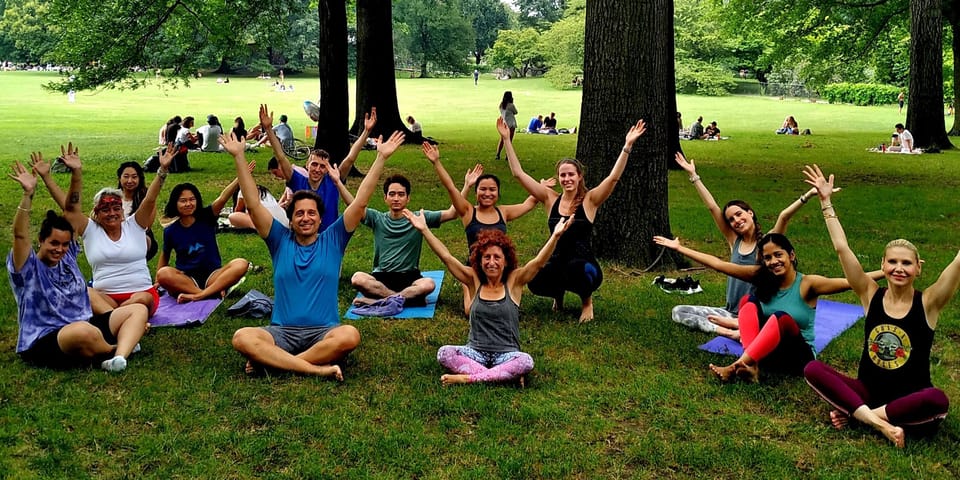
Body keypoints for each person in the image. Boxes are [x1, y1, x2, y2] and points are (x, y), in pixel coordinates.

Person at [222, 115, 405, 378]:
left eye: (311, 213)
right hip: (282, 332)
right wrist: (239, 157)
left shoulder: (334, 239)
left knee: (350, 335)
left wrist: (381, 158)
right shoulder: (278, 239)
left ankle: (277, 363)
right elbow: (252, 205)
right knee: (242, 337)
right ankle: (314, 369)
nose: (305, 218)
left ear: (320, 219)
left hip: (324, 332)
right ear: (291, 218)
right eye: (299, 214)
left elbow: (360, 203)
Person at [802, 164, 956, 448]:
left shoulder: (929, 302)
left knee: (937, 400)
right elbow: (842, 249)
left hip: (908, 400)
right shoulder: (869, 294)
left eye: (907, 263)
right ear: (883, 265)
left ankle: (862, 416)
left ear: (918, 268)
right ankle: (878, 423)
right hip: (867, 391)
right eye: (893, 262)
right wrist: (826, 203)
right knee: (813, 368)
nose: (899, 268)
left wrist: (855, 411)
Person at [652, 233, 866, 383]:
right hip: (767, 355)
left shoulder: (808, 283)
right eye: (767, 258)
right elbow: (718, 264)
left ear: (791, 256)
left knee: (781, 317)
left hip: (797, 359)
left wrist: (888, 272)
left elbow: (852, 281)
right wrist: (680, 248)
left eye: (778, 255)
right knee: (749, 301)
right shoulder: (763, 277)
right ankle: (752, 365)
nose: (773, 262)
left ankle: (737, 365)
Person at [10, 146, 149, 372]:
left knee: (137, 310)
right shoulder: (27, 267)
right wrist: (27, 195)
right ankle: (113, 347)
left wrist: (77, 173)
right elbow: (19, 235)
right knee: (83, 332)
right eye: (54, 243)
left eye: (65, 244)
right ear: (40, 241)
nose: (60, 249)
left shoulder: (68, 256)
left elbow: (72, 208)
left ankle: (119, 358)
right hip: (47, 337)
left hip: (85, 322)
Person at [669, 152, 827, 339]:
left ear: (750, 213)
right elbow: (712, 207)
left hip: (757, 313)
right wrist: (693, 175)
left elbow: (784, 216)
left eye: (739, 214)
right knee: (678, 311)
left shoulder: (767, 244)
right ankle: (729, 331)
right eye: (731, 219)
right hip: (729, 312)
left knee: (774, 322)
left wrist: (809, 194)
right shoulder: (734, 240)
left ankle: (741, 329)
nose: (736, 220)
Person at [405, 208, 571, 385]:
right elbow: (446, 257)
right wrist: (424, 229)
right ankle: (504, 377)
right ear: (479, 259)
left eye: (497, 257)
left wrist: (555, 236)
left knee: (525, 361)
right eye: (487, 257)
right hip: (475, 353)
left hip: (506, 354)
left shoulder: (514, 281)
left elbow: (538, 263)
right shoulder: (473, 279)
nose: (491, 262)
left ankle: (469, 378)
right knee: (444, 353)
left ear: (505, 260)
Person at [505, 117, 647, 322]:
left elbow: (613, 178)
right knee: (534, 279)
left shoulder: (590, 200)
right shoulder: (549, 198)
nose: (566, 179)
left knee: (580, 271)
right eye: (562, 175)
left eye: (571, 174)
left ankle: (587, 302)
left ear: (579, 176)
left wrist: (627, 146)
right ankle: (558, 295)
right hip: (555, 259)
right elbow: (518, 174)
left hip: (582, 262)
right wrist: (507, 140)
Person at [35, 147, 173, 316]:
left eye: (116, 208)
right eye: (105, 210)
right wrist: (70, 174)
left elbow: (150, 199)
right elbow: (70, 209)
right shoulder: (90, 229)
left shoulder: (135, 225)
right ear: (97, 213)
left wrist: (163, 170)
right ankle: (122, 320)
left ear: (122, 211)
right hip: (105, 298)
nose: (112, 213)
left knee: (143, 299)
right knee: (84, 292)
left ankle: (112, 320)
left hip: (140, 295)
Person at [422, 142, 541, 314]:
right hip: (476, 267)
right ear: (476, 192)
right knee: (471, 311)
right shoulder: (468, 211)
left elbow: (529, 203)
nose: (487, 193)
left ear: (498, 193)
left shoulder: (504, 212)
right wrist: (436, 163)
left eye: (492, 189)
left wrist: (542, 187)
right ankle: (467, 285)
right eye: (482, 189)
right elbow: (450, 187)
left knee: (507, 308)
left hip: (500, 266)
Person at [350, 174, 458, 307]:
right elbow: (354, 206)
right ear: (385, 198)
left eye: (401, 194)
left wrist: (467, 185)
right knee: (357, 278)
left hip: (409, 277)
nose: (396, 198)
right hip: (382, 277)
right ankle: (403, 299)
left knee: (428, 284)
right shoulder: (377, 218)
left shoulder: (418, 218)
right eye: (392, 194)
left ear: (408, 199)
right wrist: (338, 182)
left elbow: (452, 213)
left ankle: (379, 301)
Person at [265, 103, 375, 233]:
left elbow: (350, 159)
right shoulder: (297, 180)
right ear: (307, 165)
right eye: (314, 164)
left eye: (322, 166)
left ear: (327, 169)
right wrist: (268, 129)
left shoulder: (333, 181)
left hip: (328, 238)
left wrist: (366, 132)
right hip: (301, 237)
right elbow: (281, 157)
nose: (317, 169)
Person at [156, 179, 250, 303]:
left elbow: (222, 198)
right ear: (175, 203)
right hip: (187, 279)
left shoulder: (207, 216)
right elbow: (165, 255)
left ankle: (199, 295)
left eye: (192, 199)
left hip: (213, 276)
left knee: (241, 263)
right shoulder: (170, 230)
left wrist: (240, 178)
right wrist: (158, 282)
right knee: (163, 273)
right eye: (183, 201)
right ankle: (207, 293)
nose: (188, 204)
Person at [114, 161, 159, 261]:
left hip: (138, 237)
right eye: (126, 176)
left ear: (139, 179)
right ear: (119, 178)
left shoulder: (146, 199)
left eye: (134, 177)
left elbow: (146, 227)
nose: (130, 181)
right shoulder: (113, 197)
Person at [495, 91, 518, 160]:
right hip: (511, 124)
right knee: (509, 140)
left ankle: (498, 154)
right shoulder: (511, 105)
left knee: (502, 139)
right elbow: (516, 112)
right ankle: (507, 156)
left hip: (504, 124)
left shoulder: (501, 105)